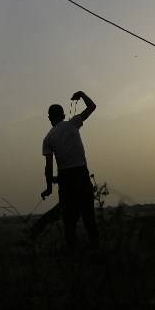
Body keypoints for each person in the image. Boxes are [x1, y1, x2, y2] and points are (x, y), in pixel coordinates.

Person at [41, 91, 99, 250]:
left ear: (50, 118)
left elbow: (48, 167)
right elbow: (92, 106)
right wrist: (82, 94)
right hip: (81, 174)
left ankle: (72, 255)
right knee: (89, 219)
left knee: (69, 223)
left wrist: (48, 188)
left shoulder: (48, 138)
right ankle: (97, 252)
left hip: (65, 179)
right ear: (63, 114)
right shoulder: (73, 123)